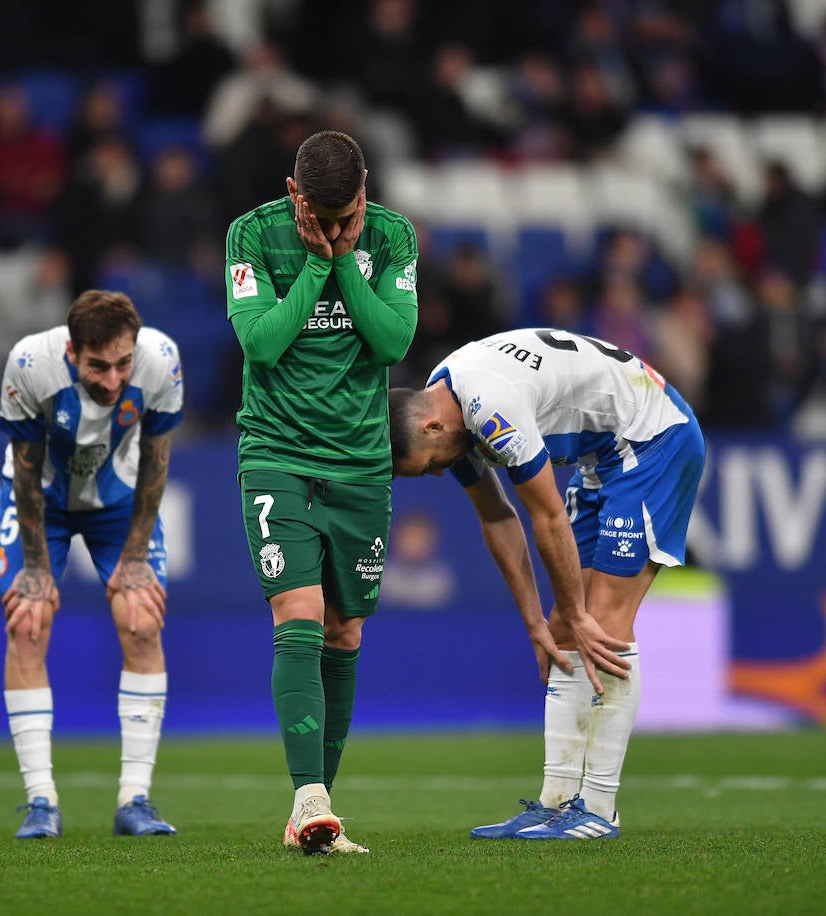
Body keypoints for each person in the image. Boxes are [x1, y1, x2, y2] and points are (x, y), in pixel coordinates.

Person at [389, 325, 705, 841]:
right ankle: (556, 802)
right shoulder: (450, 406)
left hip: (654, 440)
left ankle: (600, 809)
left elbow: (548, 517)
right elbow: (497, 518)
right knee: (562, 632)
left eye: (427, 468)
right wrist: (537, 620)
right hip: (603, 456)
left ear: (429, 429)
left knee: (600, 622)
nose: (437, 474)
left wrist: (579, 612)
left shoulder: (488, 409)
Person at [225, 129, 418, 854]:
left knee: (345, 631)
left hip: (361, 464)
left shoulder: (395, 236)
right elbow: (263, 344)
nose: (339, 230)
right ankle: (309, 800)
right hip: (276, 452)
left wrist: (345, 266)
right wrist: (319, 264)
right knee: (298, 613)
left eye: (350, 215)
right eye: (323, 217)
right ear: (293, 195)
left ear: (366, 187)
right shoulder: (252, 236)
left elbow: (393, 342)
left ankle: (316, 805)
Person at [0, 289, 183, 840]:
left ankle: (135, 801)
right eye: (98, 366)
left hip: (120, 502)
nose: (112, 378)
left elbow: (156, 461)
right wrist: (35, 567)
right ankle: (40, 803)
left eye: (122, 363)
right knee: (27, 622)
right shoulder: (29, 364)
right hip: (42, 502)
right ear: (73, 351)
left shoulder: (161, 358)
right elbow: (26, 472)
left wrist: (133, 558)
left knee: (142, 619)